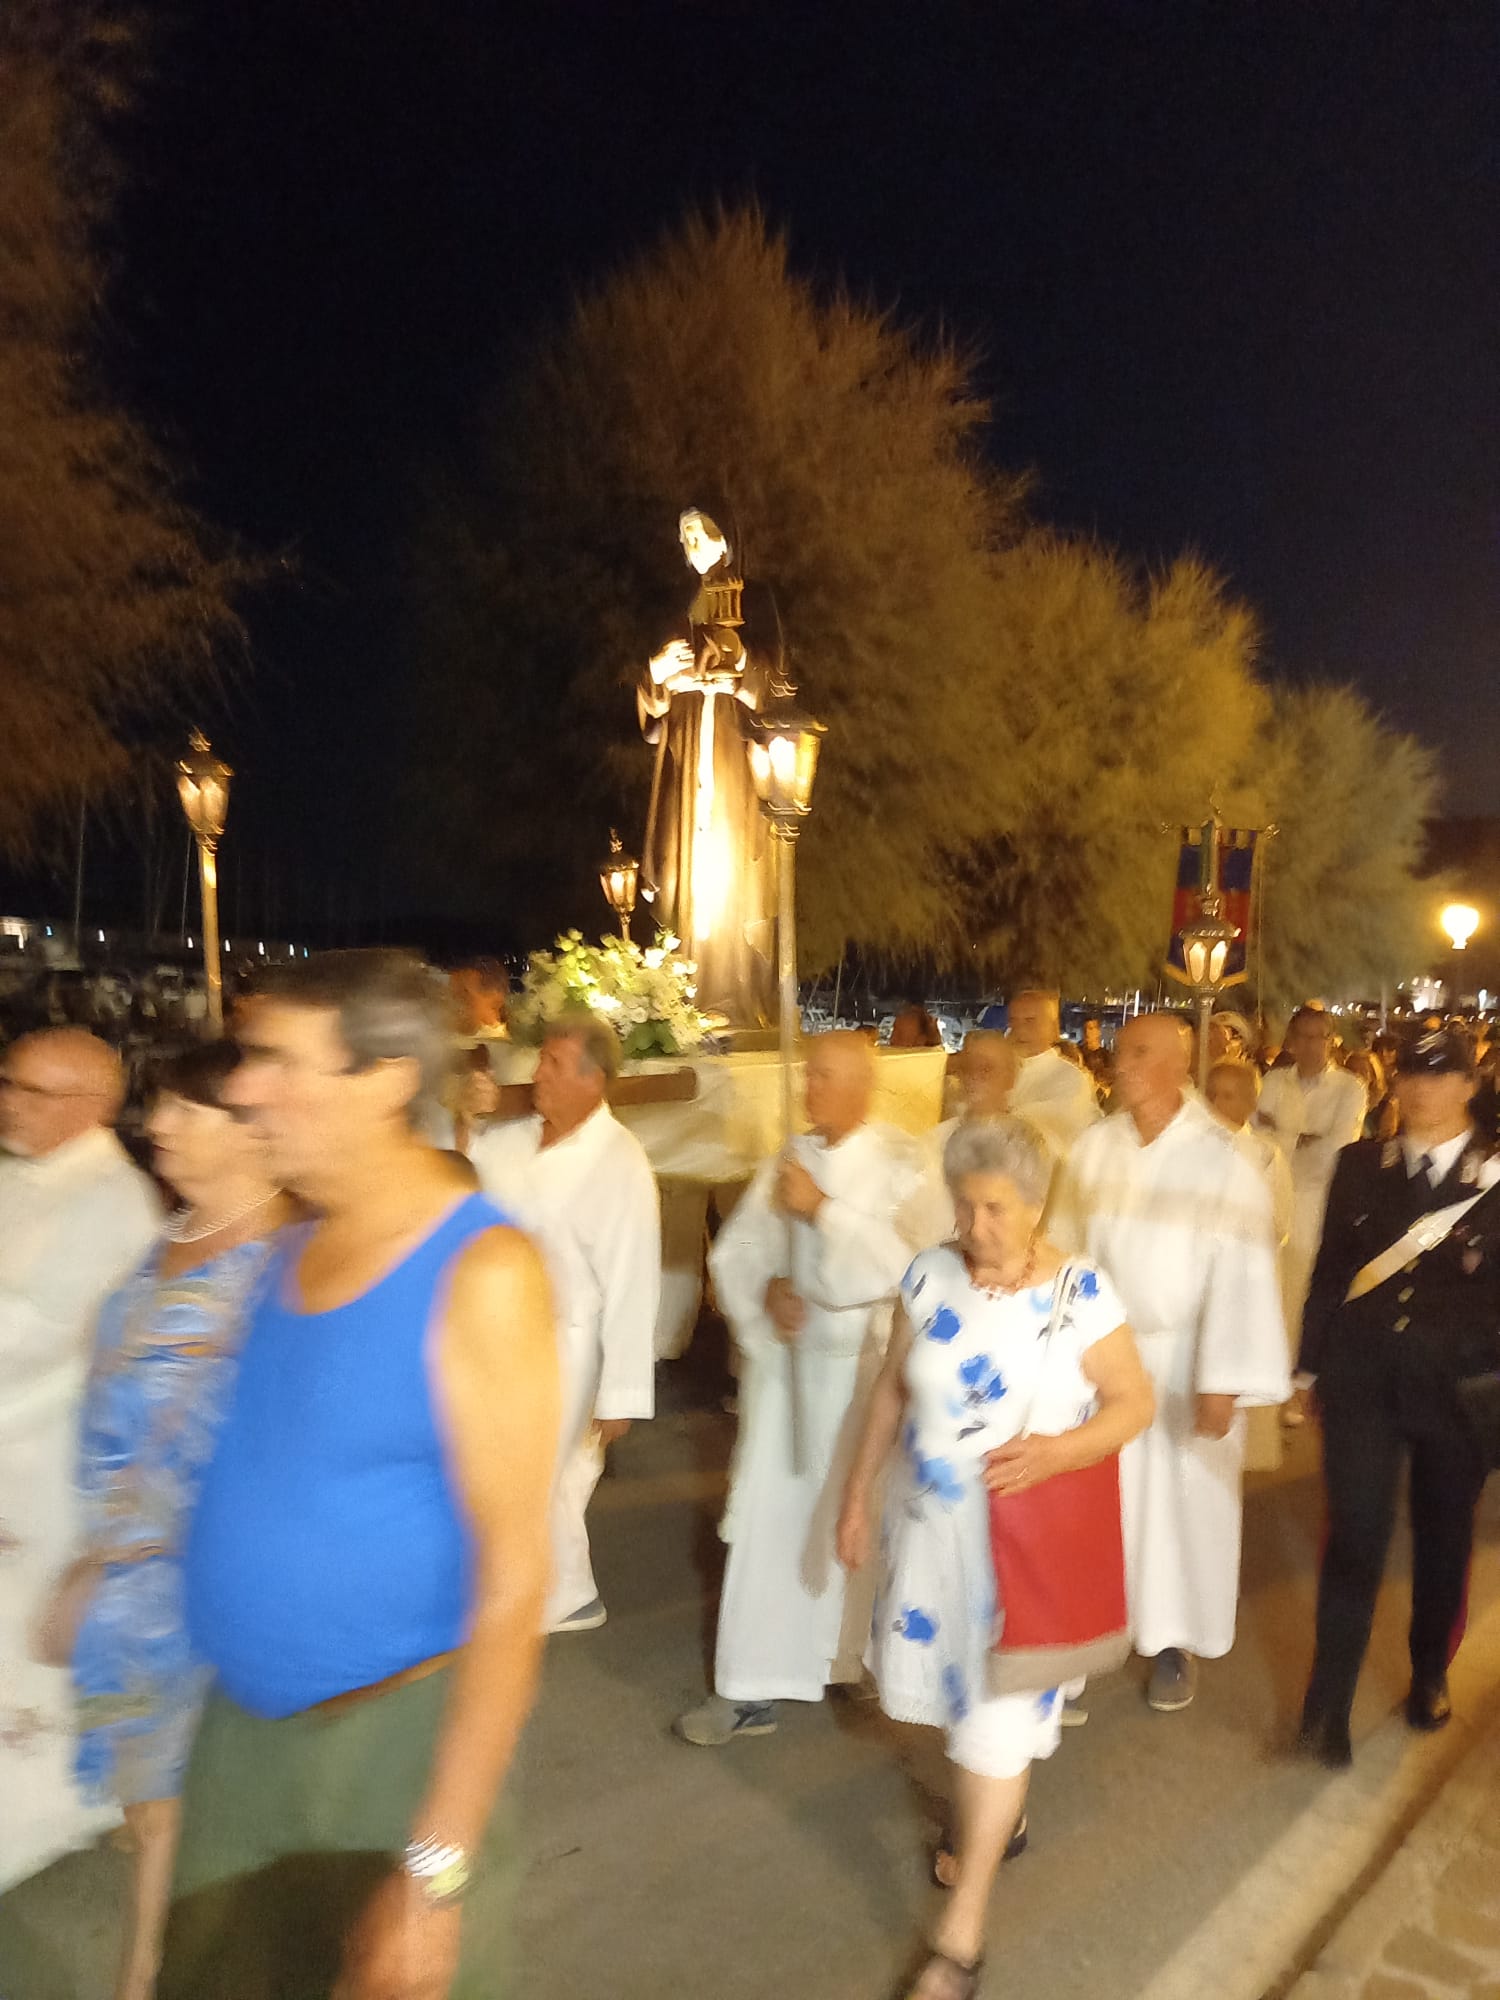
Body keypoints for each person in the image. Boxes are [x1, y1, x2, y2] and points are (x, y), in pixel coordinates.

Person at [155, 952, 559, 2000]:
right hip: (243, 1734)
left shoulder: (483, 1271)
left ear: (384, 1079)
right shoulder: (296, 1239)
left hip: (385, 1752)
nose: (244, 1087)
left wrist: (435, 1870)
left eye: (278, 1061)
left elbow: (517, 1584)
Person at [837, 1117, 1152, 1999]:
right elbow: (894, 1390)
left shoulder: (1081, 1294)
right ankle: (994, 1820)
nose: (977, 1226)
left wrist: (1059, 1452)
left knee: (995, 1728)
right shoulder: (929, 1275)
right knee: (952, 1715)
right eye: (964, 1206)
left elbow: (1134, 1403)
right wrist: (858, 1496)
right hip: (931, 1542)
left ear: (1036, 1203)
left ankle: (961, 1939)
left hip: (1025, 1557)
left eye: (996, 1209)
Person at [59, 1041, 291, 2000]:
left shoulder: (283, 1262)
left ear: (253, 1132)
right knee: (157, 1805)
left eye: (186, 1112)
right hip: (126, 1563)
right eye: (158, 1107)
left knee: (172, 1814)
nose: (156, 1125)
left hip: (199, 1576)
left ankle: (147, 1978)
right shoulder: (185, 1223)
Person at [675, 1032, 922, 1745]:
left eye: (824, 1076)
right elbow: (741, 1249)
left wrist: (824, 1212)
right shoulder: (789, 1157)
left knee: (855, 1517)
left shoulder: (903, 1163)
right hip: (788, 1372)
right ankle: (753, 1685)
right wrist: (767, 1292)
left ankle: (850, 1664)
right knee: (770, 1524)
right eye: (807, 1074)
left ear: (862, 1084)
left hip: (861, 1370)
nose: (809, 1088)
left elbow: (909, 1264)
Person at [1050, 1014, 1290, 1711]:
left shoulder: (1222, 1158)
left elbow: (1244, 1276)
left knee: (1184, 1509)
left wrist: (1224, 1381)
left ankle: (1174, 1645)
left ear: (1177, 1066)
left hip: (1188, 1357)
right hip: (1105, 1356)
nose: (1120, 1066)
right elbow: (1064, 1251)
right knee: (1100, 1504)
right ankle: (1089, 1638)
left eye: (1138, 1054)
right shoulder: (1093, 1149)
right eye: (1120, 1054)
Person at [1297, 1024, 1500, 1767]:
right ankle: (1328, 1701)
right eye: (1412, 1071)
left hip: (1460, 1392)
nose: (1422, 1087)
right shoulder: (1360, 1164)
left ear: (1470, 1085)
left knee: (1444, 1540)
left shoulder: (1495, 1171)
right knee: (1355, 1533)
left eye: (1442, 1074)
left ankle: (1429, 1672)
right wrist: (1309, 1370)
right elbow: (1328, 1272)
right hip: (1364, 1382)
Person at [0, 1029, 161, 1894]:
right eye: (7, 1082)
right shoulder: (25, 1172)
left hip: (44, 1465)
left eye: (31, 1091)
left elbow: (44, 1343)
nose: (10, 1103)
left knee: (34, 1650)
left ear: (92, 1107)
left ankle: (62, 1802)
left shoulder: (113, 1202)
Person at [470, 1013, 661, 1633]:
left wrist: (622, 1393)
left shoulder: (620, 1161)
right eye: (541, 1061)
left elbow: (633, 1283)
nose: (538, 1076)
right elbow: (462, 1173)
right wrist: (463, 1118)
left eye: (554, 1065)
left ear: (593, 1080)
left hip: (574, 1344)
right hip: (504, 1336)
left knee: (549, 1473)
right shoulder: (513, 1139)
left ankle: (557, 1596)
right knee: (506, 1468)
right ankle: (556, 1589)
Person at [638, 503, 789, 1025]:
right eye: (683, 538)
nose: (691, 545)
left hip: (732, 762)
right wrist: (657, 674)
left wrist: (740, 665)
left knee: (729, 877)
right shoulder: (676, 612)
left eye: (699, 533)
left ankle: (732, 998)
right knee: (688, 876)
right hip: (688, 761)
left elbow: (781, 686)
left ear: (725, 537)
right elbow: (653, 716)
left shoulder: (757, 598)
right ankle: (684, 998)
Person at [1206, 1056, 1298, 1464]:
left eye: (1227, 1096)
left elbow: (1278, 1221)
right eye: (1210, 1094)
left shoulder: (1264, 1154)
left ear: (1249, 1104)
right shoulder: (1185, 1148)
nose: (1215, 1105)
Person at [1256, 1005, 1367, 1327]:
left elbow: (1338, 1149)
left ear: (1331, 1040)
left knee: (1301, 1289)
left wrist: (1280, 1132)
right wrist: (1302, 1138)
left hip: (1317, 1204)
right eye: (1302, 1037)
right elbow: (1257, 1140)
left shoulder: (1350, 1088)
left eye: (1317, 1037)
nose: (1310, 1045)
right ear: (1291, 1040)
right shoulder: (1274, 1081)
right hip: (1270, 1199)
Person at [1006, 989, 1101, 1154]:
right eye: (1014, 1021)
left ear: (1052, 1028)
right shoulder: (999, 1070)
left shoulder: (1070, 1079)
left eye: (1030, 1021)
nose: (1019, 1029)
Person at [1345, 1046, 1398, 1143]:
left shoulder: (1382, 1111)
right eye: (1351, 1070)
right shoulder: (1337, 1103)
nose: (1356, 1077)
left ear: (1373, 1077)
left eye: (1363, 1072)